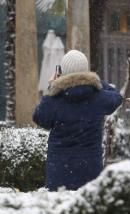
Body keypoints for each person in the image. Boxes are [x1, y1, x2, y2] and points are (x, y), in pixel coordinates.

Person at [32, 49, 123, 190]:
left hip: (59, 171)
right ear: (86, 71)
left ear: (61, 72)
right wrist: (94, 82)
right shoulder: (98, 97)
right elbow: (116, 97)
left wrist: (52, 87)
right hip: (90, 170)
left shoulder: (55, 100)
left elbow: (39, 117)